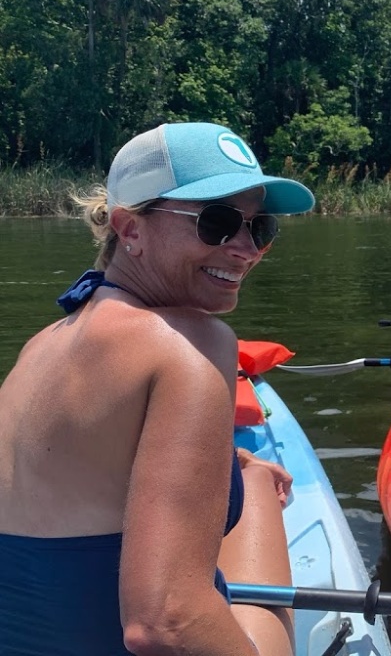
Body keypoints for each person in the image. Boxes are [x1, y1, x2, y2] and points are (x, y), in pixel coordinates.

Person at [0, 122, 315, 655]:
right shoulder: (191, 342)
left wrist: (234, 462)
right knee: (258, 493)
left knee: (251, 476)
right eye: (216, 222)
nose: (245, 248)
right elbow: (165, 622)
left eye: (260, 227)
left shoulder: (41, 346)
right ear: (130, 229)